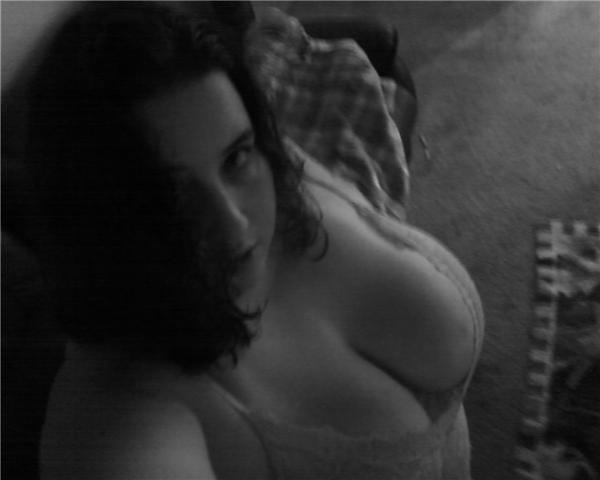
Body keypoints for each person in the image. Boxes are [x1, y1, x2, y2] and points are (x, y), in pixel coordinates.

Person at [30, 3, 484, 479]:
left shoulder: (275, 160)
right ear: (95, 227)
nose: (233, 222)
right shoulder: (120, 418)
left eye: (235, 158)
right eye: (168, 197)